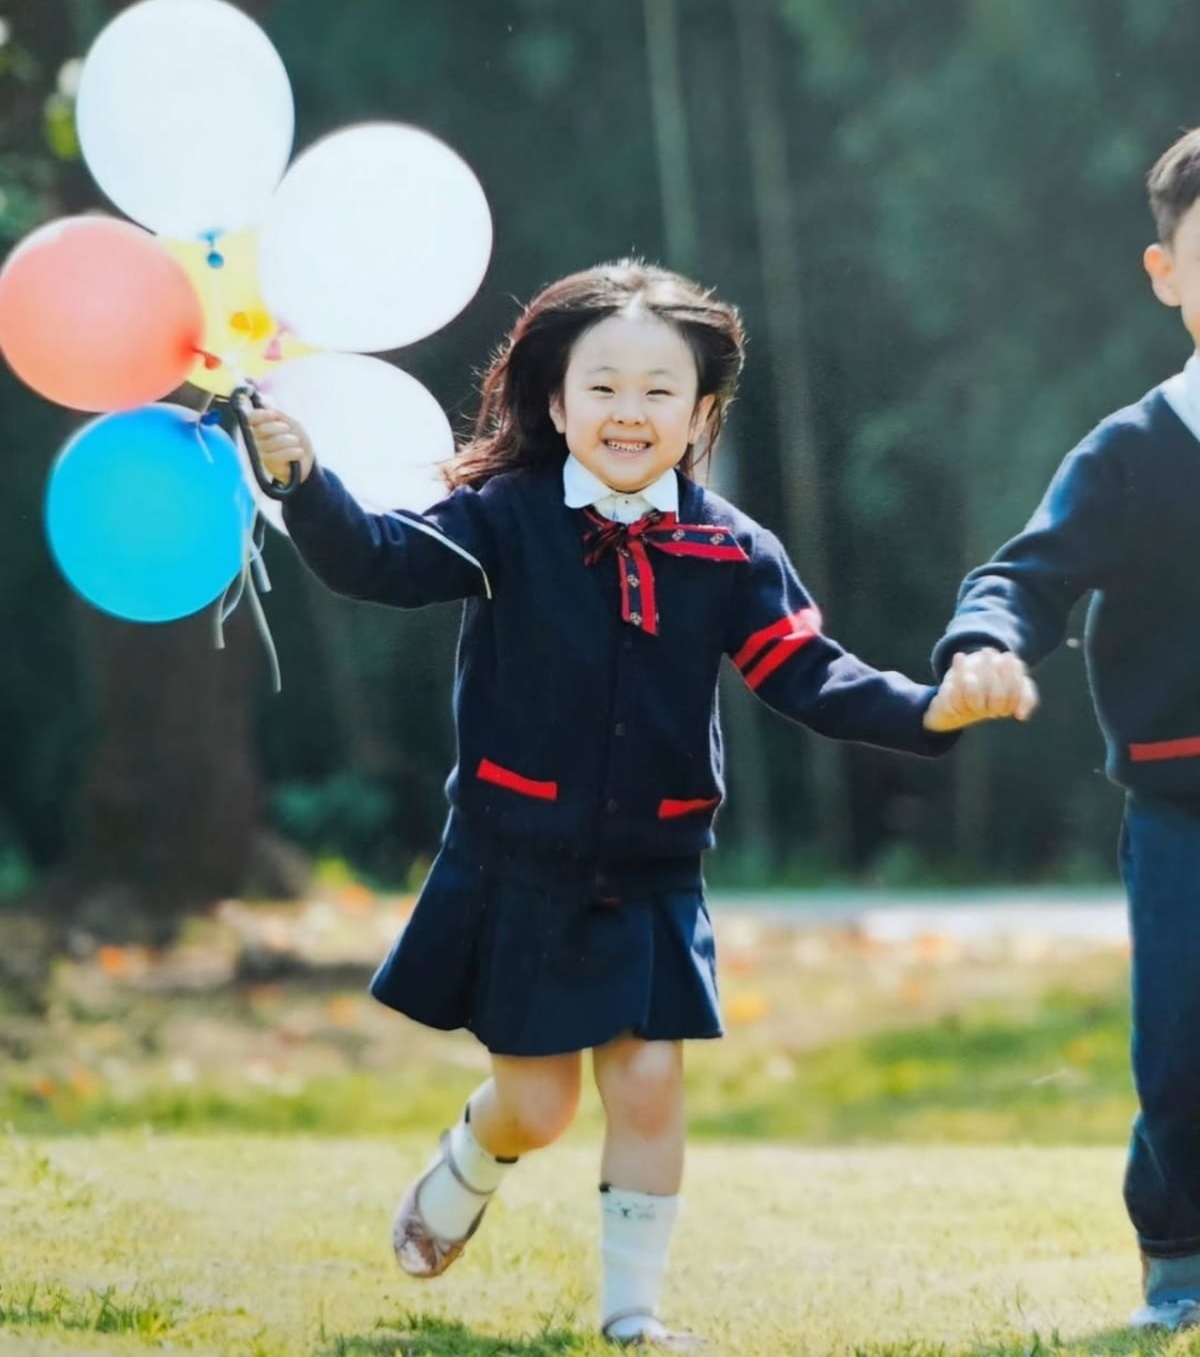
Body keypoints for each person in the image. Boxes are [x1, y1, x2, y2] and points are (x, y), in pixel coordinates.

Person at [246, 259, 1027, 1348]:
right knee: (541, 1107)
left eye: (659, 390)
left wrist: (928, 710)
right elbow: (377, 560)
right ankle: (473, 1155)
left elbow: (810, 673)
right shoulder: (501, 520)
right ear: (556, 404)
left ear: (701, 411)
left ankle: (632, 1318)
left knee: (651, 1084)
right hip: (517, 859)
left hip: (655, 872)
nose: (629, 411)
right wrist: (302, 482)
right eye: (602, 386)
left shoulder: (732, 549)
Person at [931, 128, 1200, 1333]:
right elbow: (1025, 576)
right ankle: (1182, 1248)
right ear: (1167, 276)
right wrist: (985, 642)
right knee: (1186, 1044)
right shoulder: (1137, 451)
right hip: (1182, 804)